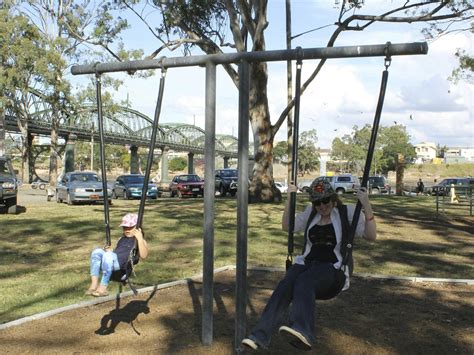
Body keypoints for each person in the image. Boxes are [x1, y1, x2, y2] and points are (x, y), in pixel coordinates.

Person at [242, 180, 377, 351]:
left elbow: (371, 236)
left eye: (325, 201)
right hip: (306, 263)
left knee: (305, 281)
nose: (321, 206)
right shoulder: (311, 213)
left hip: (332, 268)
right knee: (285, 285)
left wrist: (366, 204)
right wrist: (289, 199)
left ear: (333, 198)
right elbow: (287, 227)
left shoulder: (346, 213)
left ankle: (302, 331)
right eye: (317, 202)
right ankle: (259, 336)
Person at [86, 213, 149, 297]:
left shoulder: (138, 241)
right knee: (96, 251)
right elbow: (118, 253)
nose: (127, 229)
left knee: (108, 255)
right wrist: (109, 251)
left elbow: (144, 255)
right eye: (124, 227)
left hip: (122, 271)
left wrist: (140, 238)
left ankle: (102, 288)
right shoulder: (121, 239)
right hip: (113, 266)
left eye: (130, 227)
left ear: (138, 227)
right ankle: (94, 285)